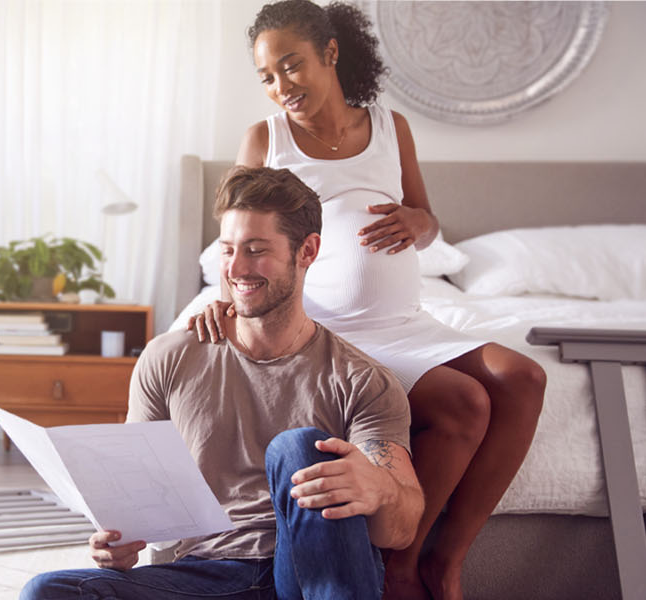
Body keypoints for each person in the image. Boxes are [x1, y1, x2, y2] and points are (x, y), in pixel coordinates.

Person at [187, 2, 546, 599]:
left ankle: (447, 558)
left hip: (407, 321)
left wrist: (416, 221)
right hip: (332, 331)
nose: (281, 87)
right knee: (464, 404)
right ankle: (403, 567)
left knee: (525, 378)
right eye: (267, 77)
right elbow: (235, 234)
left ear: (331, 53)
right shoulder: (266, 137)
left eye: (292, 65)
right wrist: (224, 299)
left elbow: (429, 222)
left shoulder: (389, 127)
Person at [21, 166, 424, 600]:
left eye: (255, 250)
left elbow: (400, 531)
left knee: (300, 448)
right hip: (201, 578)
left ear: (307, 251)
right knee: (47, 591)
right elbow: (134, 497)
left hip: (304, 580)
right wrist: (114, 544)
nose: (236, 268)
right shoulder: (169, 358)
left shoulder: (362, 380)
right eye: (228, 250)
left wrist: (380, 489)